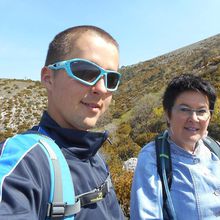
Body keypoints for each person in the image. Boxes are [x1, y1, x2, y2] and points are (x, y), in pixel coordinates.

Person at [0, 25, 125, 220]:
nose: (101, 88)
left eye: (111, 78)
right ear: (48, 78)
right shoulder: (24, 163)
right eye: (85, 71)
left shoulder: (96, 158)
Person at [130, 74, 220, 220]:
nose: (194, 118)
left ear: (210, 116)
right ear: (167, 113)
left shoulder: (215, 150)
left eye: (202, 111)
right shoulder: (153, 158)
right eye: (184, 109)